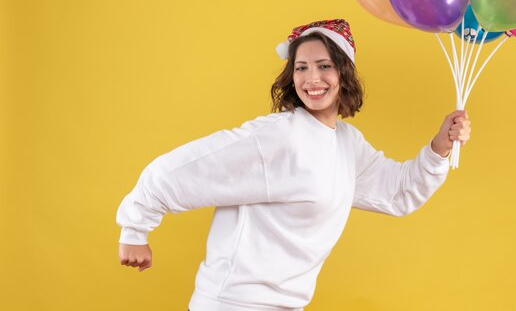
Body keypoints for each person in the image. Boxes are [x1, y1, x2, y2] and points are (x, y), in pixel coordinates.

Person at [117, 19, 471, 311]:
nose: (311, 79)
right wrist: (135, 227)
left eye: (324, 66)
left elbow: (397, 194)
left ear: (344, 73)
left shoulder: (346, 142)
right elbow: (181, 170)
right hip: (233, 304)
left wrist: (441, 146)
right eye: (301, 67)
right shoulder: (278, 136)